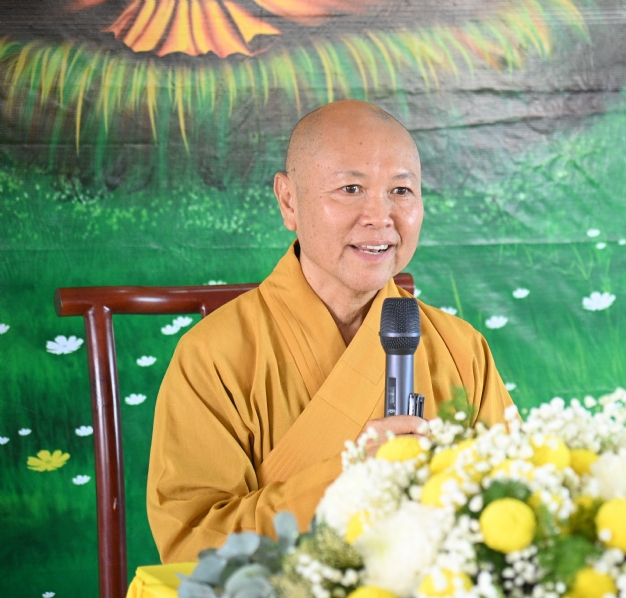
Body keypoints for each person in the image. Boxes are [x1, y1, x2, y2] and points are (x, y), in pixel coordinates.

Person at [146, 100, 515, 563]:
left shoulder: (462, 350)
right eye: (351, 187)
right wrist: (351, 475)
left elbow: (513, 508)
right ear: (289, 201)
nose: (380, 217)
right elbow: (192, 544)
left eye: (401, 191)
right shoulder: (214, 355)